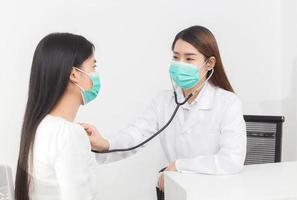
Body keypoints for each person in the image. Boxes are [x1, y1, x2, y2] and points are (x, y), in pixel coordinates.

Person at [82, 25, 247, 193]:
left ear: (210, 63)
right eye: (176, 57)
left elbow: (231, 160)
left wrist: (178, 166)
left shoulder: (228, 103)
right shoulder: (163, 101)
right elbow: (137, 134)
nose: (180, 64)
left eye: (189, 59)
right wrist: (104, 144)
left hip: (217, 191)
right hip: (178, 190)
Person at [15, 33, 100, 200]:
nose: (96, 74)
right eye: (93, 67)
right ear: (74, 74)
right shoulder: (68, 134)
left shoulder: (40, 126)